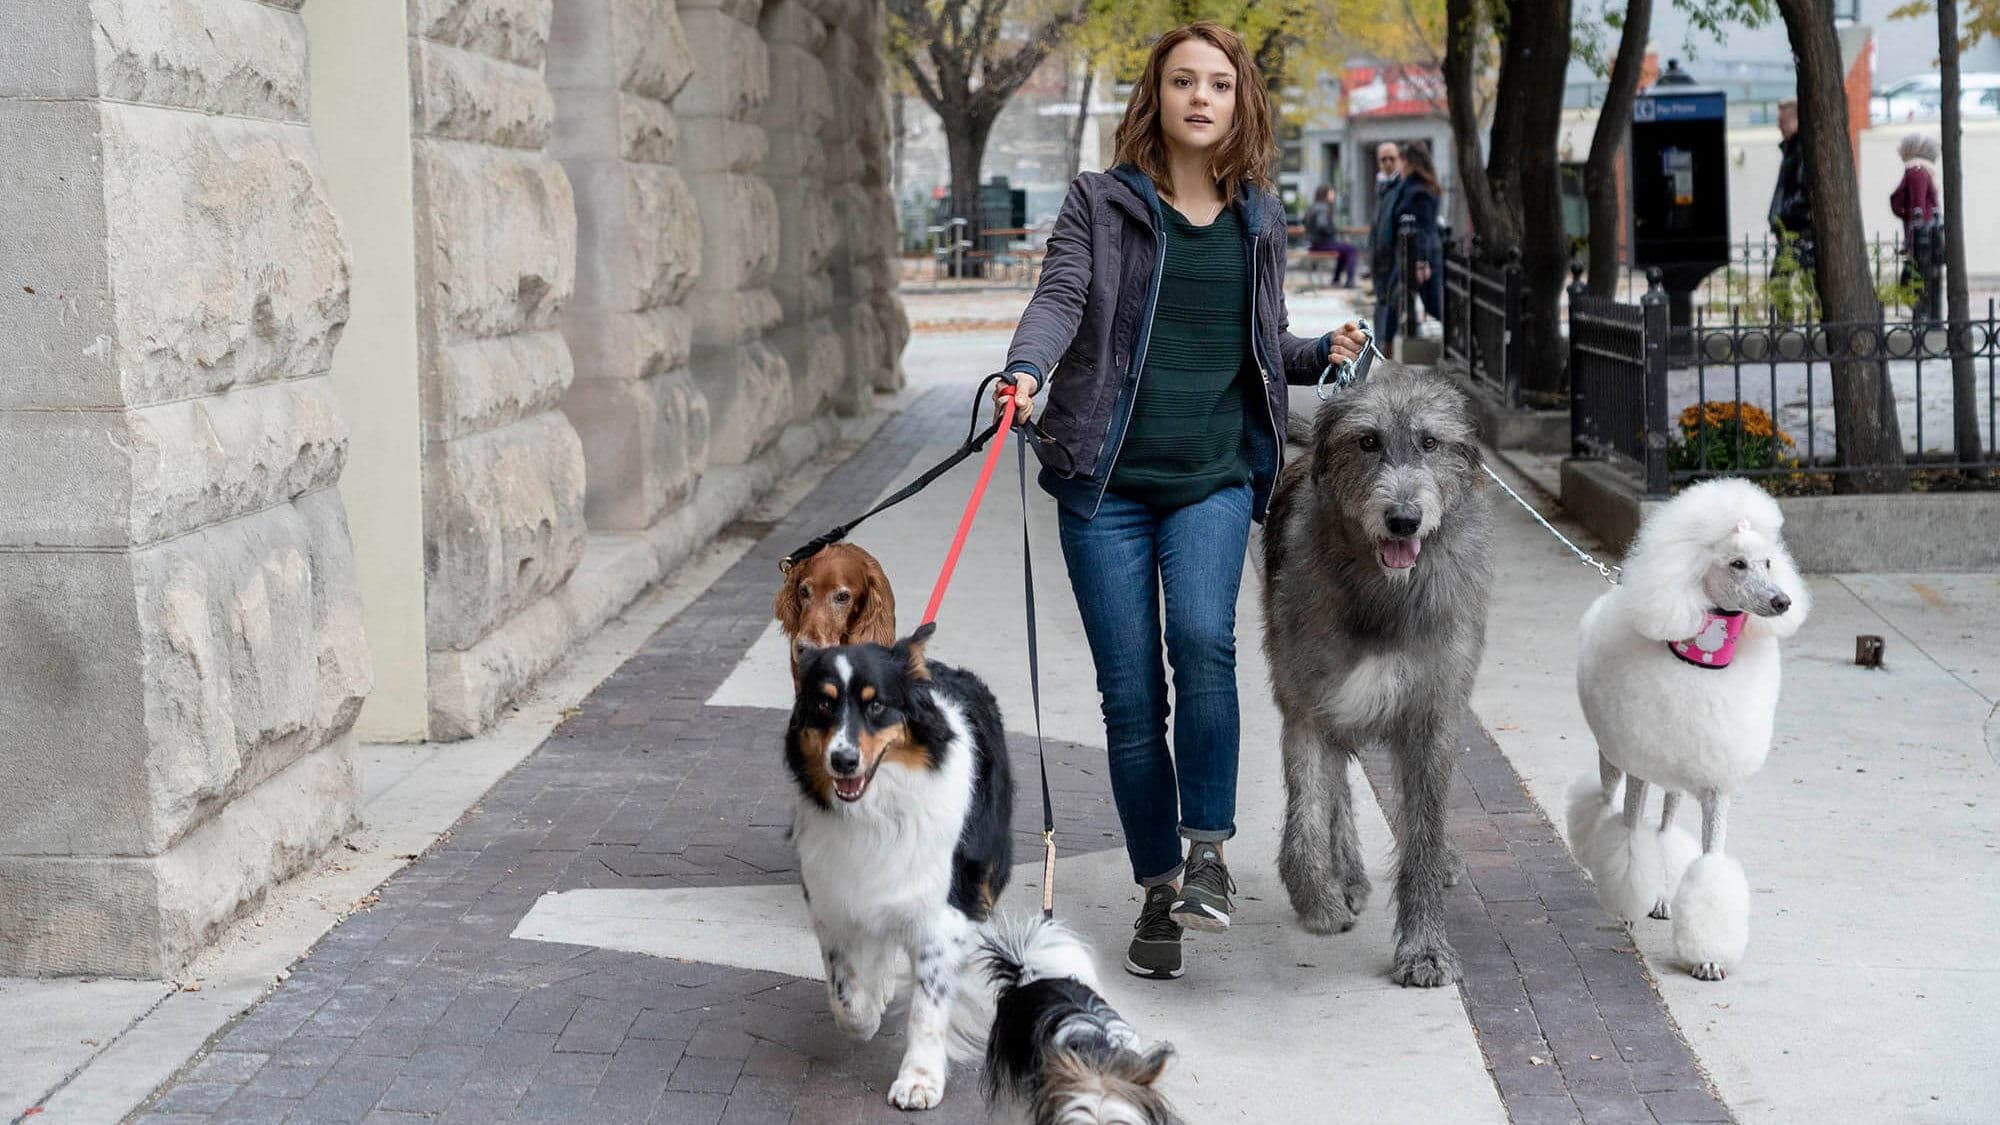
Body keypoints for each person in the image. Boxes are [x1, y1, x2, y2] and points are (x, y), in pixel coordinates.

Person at [992, 21, 1367, 982]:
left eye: (1218, 84)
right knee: (1129, 699)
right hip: (1105, 484)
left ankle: (1208, 853)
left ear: (1240, 103)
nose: (1201, 97)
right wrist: (1026, 371)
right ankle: (1158, 887)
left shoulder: (1260, 218)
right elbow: (1061, 299)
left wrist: (1316, 352)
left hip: (1210, 476)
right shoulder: (1100, 203)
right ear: (1154, 99)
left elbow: (1260, 343)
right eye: (1182, 82)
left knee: (1204, 639)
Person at [1372, 141, 1442, 347]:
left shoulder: (1417, 190)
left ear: (1408, 162)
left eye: (1397, 160)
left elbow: (1424, 229)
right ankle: (1386, 346)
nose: (1394, 165)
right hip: (1404, 254)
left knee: (1433, 305)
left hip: (1417, 256)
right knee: (1395, 301)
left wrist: (1421, 260)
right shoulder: (1406, 186)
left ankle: (1387, 346)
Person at [1889, 132, 1942, 324]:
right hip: (1922, 237)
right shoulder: (1922, 171)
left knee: (1911, 283)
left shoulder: (1916, 171)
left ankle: (1922, 316)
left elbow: (1917, 208)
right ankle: (1922, 315)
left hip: (1920, 239)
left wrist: (1911, 240)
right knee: (1918, 281)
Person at [1768, 99, 1814, 272]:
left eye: (1782, 122)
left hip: (1797, 231)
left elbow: (1804, 190)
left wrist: (1785, 215)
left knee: (1781, 288)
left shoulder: (1801, 150)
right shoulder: (1791, 149)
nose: (1779, 127)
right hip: (1791, 230)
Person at [1368, 141, 1405, 300]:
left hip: (1394, 259)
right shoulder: (1382, 186)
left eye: (1392, 158)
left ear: (1399, 160)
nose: (1388, 163)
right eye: (1383, 159)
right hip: (1380, 259)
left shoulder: (1401, 187)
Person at [1303, 184, 1359, 287]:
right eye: (1331, 193)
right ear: (1325, 195)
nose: (1333, 196)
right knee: (1351, 249)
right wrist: (1332, 230)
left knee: (1344, 251)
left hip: (1314, 244)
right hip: (1323, 244)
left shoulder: (1313, 207)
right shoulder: (1322, 208)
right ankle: (1350, 281)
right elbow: (1322, 225)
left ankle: (1336, 279)